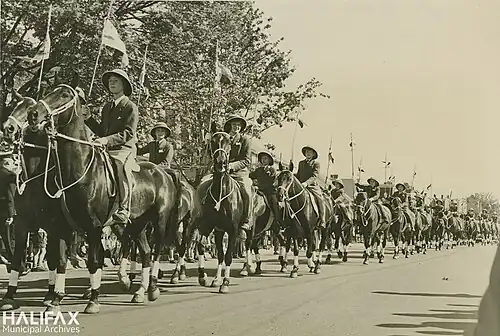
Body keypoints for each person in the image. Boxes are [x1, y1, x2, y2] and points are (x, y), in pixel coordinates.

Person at [85, 69, 138, 224]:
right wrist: (88, 118)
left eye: (116, 80)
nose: (112, 83)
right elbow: (102, 131)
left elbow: (128, 133)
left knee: (122, 168)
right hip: (107, 148)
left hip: (124, 149)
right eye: (110, 81)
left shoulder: (130, 106)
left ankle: (124, 208)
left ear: (124, 84)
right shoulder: (107, 107)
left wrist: (106, 140)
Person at [221, 115, 253, 238]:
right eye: (234, 124)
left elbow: (246, 160)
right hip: (222, 171)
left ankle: (246, 221)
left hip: (239, 172)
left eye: (239, 125)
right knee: (204, 184)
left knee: (247, 191)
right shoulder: (223, 138)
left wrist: (232, 166)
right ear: (230, 125)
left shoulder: (245, 140)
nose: (236, 127)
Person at [249, 151, 282, 230]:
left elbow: (272, 180)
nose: (263, 160)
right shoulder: (258, 170)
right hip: (259, 191)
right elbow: (251, 175)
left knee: (274, 203)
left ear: (269, 160)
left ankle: (278, 222)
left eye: (265, 158)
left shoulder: (272, 169)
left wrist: (259, 186)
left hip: (269, 192)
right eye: (262, 159)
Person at [295, 145, 326, 229]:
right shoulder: (301, 163)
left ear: (313, 154)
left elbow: (314, 176)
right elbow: (298, 175)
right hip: (301, 186)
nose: (308, 153)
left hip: (312, 186)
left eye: (310, 152)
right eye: (306, 152)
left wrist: (306, 183)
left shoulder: (316, 163)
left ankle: (322, 220)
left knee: (320, 199)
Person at [0, 155, 16, 262]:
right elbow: (11, 195)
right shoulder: (10, 176)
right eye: (12, 164)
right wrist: (11, 214)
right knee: (10, 239)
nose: (13, 166)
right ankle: (14, 265)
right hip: (6, 211)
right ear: (6, 164)